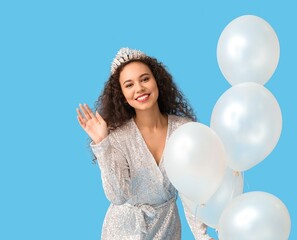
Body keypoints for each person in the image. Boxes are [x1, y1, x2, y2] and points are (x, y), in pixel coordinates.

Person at [76, 48, 213, 240]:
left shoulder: (184, 130)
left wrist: (201, 235)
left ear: (157, 81)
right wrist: (102, 144)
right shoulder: (116, 137)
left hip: (167, 227)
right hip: (124, 230)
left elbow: (189, 189)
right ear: (122, 95)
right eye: (129, 84)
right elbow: (118, 196)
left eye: (145, 79)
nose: (139, 88)